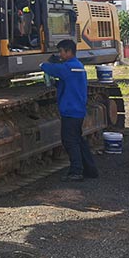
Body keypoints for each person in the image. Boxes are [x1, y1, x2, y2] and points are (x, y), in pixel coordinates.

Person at [40, 39, 99, 182]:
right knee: (78, 140)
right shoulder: (78, 67)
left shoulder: (68, 68)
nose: (60, 55)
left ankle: (76, 172)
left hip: (70, 111)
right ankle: (90, 170)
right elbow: (70, 83)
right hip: (77, 110)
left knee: (70, 142)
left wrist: (44, 63)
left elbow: (48, 68)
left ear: (68, 51)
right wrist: (57, 83)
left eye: (61, 51)